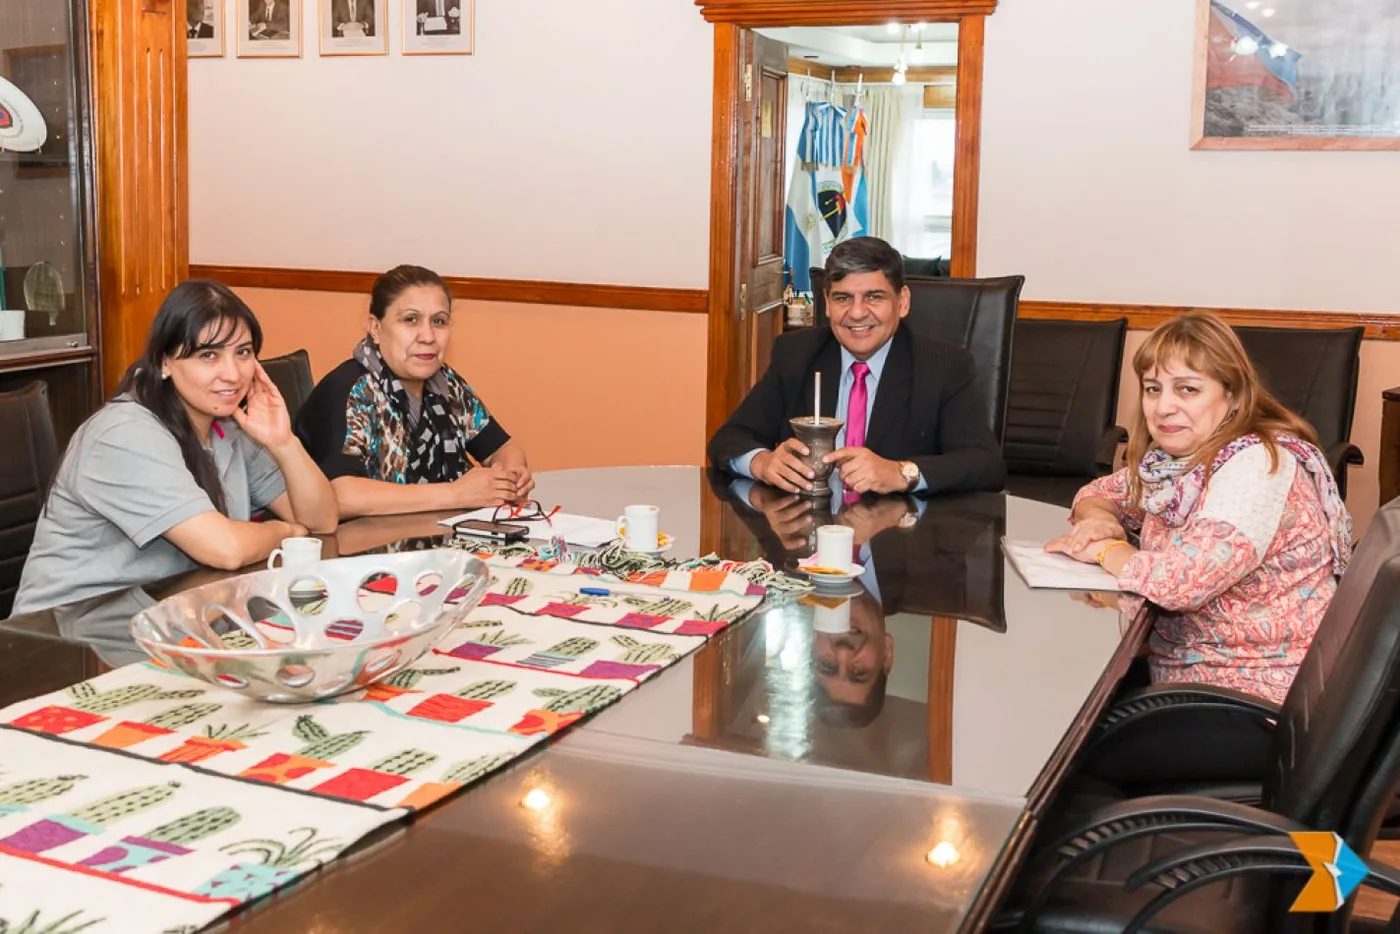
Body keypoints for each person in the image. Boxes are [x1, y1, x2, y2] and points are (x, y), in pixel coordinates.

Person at [1046, 311, 1352, 705]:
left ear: (1234, 396)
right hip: (1190, 673)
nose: (1164, 407)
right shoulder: (1180, 465)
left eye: (1187, 390)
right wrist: (1101, 520)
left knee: (1067, 726)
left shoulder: (1258, 468)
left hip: (1251, 698)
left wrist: (1106, 551)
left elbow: (1179, 584)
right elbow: (1099, 492)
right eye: (1153, 389)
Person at [14, 281, 339, 614]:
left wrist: (284, 442)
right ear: (165, 362)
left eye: (242, 352)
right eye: (208, 355)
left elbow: (322, 521)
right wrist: (285, 532)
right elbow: (225, 549)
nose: (232, 374)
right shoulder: (125, 433)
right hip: (66, 637)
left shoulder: (228, 426)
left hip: (168, 616)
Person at [707, 236, 1005, 498]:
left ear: (902, 302)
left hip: (902, 545)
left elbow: (985, 464)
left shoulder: (943, 365)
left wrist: (902, 473)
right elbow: (729, 439)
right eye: (843, 298)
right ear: (827, 304)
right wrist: (762, 462)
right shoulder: (796, 354)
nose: (858, 313)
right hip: (807, 542)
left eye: (874, 297)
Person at [295, 264, 532, 519]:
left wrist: (508, 480)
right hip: (355, 548)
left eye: (439, 321)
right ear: (375, 327)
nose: (428, 336)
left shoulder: (445, 383)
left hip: (430, 539)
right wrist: (456, 493)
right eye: (410, 320)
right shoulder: (352, 390)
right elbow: (340, 496)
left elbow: (503, 448)